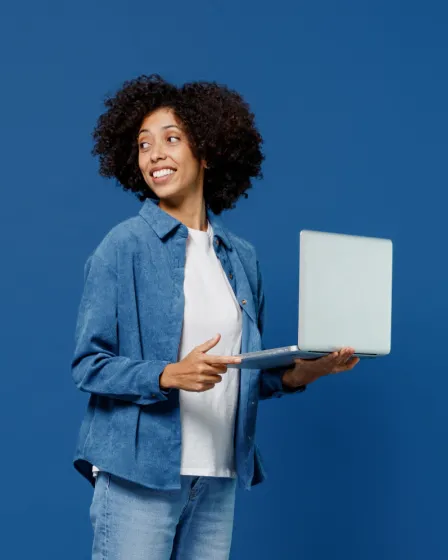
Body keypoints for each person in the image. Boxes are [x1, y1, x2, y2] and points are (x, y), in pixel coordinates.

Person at [70, 74, 359, 560]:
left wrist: (302, 372)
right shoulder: (124, 247)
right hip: (140, 475)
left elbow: (243, 375)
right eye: (144, 145)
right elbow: (89, 365)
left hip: (218, 475)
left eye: (171, 139)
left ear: (206, 152)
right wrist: (167, 374)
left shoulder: (240, 258)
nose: (155, 154)